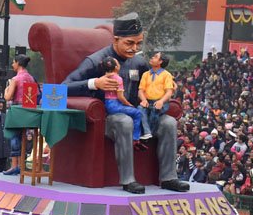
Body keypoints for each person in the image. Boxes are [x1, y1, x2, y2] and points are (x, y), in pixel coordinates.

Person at [63, 12, 189, 194]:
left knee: (168, 123)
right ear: (116, 39)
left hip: (138, 112)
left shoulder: (139, 62)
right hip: (108, 118)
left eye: (138, 43)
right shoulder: (95, 61)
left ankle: (169, 177)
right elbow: (62, 88)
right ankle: (128, 180)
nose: (134, 48)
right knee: (124, 121)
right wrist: (94, 83)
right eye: (129, 43)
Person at [100, 56, 144, 149]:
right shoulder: (117, 78)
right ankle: (135, 138)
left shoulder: (103, 77)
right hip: (115, 104)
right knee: (137, 112)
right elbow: (120, 96)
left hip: (107, 103)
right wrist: (129, 104)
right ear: (116, 67)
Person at [3, 54, 35, 175]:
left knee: (14, 137)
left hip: (17, 111)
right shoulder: (31, 78)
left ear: (18, 63)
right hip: (28, 111)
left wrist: (6, 89)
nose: (12, 65)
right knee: (23, 137)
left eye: (13, 62)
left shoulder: (15, 79)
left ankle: (14, 165)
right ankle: (21, 165)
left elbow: (8, 97)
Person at [138, 52, 176, 140]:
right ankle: (147, 133)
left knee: (155, 112)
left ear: (160, 62)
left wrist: (161, 101)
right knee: (140, 109)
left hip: (160, 101)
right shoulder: (146, 74)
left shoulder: (166, 75)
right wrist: (143, 100)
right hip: (148, 100)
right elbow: (141, 90)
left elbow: (169, 91)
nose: (152, 58)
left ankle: (151, 133)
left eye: (155, 57)